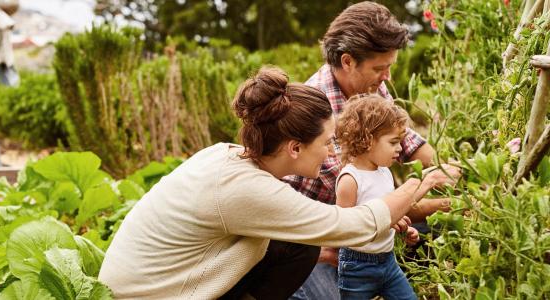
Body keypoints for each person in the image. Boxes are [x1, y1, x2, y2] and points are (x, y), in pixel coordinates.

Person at [98, 67, 460, 299]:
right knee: (299, 245)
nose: (333, 152)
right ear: (294, 147)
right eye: (326, 142)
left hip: (168, 276)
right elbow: (353, 226)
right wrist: (422, 183)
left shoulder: (230, 156)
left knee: (298, 246)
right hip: (145, 295)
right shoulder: (247, 190)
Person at [289, 3, 451, 299]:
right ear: (348, 61)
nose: (387, 76)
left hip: (365, 228)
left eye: (389, 67)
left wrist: (453, 168)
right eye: (380, 68)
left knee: (435, 235)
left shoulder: (367, 88)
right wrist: (449, 204)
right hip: (313, 242)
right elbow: (373, 209)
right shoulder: (318, 114)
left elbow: (409, 142)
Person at [335, 94, 427, 299]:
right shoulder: (350, 180)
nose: (400, 149)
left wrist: (401, 227)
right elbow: (344, 230)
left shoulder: (384, 171)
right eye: (393, 142)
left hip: (388, 261)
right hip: (357, 267)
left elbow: (385, 212)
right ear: (368, 140)